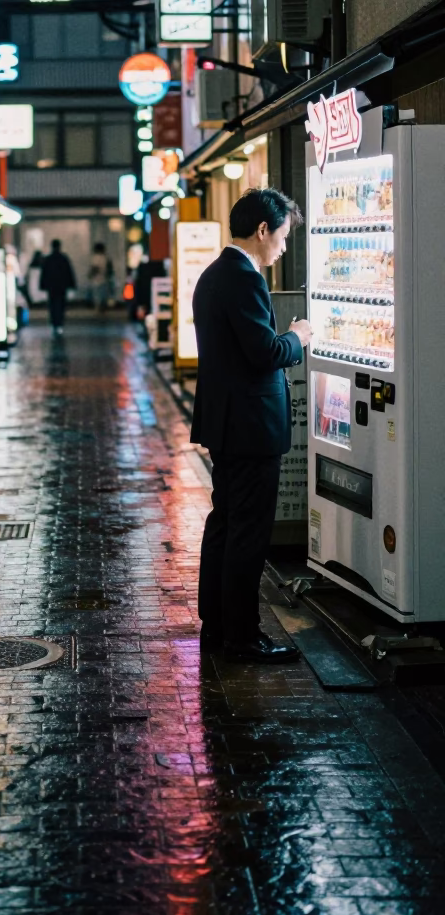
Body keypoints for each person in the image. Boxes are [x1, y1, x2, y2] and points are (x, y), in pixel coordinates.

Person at [190, 187, 312, 664]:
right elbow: (263, 353)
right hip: (250, 426)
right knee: (248, 531)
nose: (283, 248)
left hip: (228, 423)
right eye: (281, 237)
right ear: (262, 230)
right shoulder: (243, 278)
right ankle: (242, 634)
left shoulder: (215, 274)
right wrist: (297, 337)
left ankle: (217, 620)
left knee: (225, 521)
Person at [40, 239, 76, 335]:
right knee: (61, 305)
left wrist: (43, 285)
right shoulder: (63, 258)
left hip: (52, 286)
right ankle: (59, 323)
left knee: (52, 305)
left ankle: (54, 323)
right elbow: (69, 272)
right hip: (61, 286)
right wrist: (71, 284)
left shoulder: (49, 259)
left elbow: (44, 274)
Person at [88, 242, 113, 312]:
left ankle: (98, 308)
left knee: (97, 296)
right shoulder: (106, 257)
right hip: (105, 279)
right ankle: (103, 308)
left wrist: (90, 274)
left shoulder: (95, 257)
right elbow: (110, 269)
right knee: (103, 295)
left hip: (96, 279)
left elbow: (94, 268)